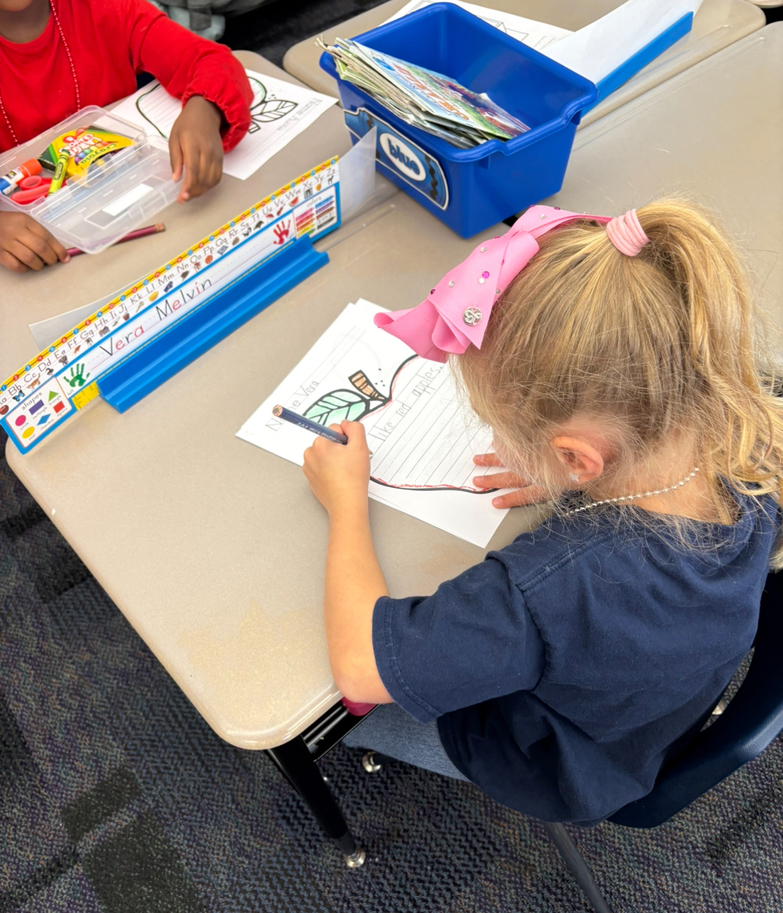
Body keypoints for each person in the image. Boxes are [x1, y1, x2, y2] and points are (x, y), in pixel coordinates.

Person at [301, 199, 783, 826]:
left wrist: (345, 504)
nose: (501, 444)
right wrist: (574, 482)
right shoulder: (749, 436)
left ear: (580, 457)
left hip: (555, 765)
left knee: (331, 720)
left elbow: (361, 671)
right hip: (646, 721)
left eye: (503, 431)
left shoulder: (550, 586)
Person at [0, 0, 252, 273]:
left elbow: (211, 61)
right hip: (52, 265)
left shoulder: (107, 8)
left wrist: (206, 107)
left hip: (138, 229)